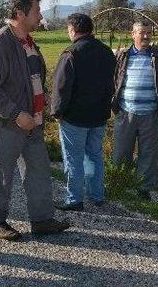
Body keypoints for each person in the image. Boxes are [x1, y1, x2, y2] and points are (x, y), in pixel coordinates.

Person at [0, 0, 69, 241]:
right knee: (2, 171)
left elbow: (34, 79)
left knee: (38, 170)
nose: (41, 16)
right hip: (8, 123)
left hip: (34, 122)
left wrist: (41, 105)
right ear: (20, 14)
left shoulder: (29, 43)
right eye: (37, 11)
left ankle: (41, 220)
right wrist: (17, 114)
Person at [51, 13, 116, 211]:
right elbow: (113, 83)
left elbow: (61, 87)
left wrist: (57, 112)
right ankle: (97, 196)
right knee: (95, 155)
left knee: (74, 158)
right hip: (99, 115)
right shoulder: (107, 52)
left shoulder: (71, 53)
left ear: (73, 30)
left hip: (74, 117)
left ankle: (74, 199)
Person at [111, 21, 158, 201]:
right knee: (121, 151)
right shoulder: (122, 56)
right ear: (133, 34)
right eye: (142, 32)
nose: (146, 36)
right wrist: (112, 104)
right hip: (125, 112)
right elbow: (114, 81)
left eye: (149, 33)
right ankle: (118, 184)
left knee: (148, 153)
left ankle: (143, 188)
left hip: (151, 114)